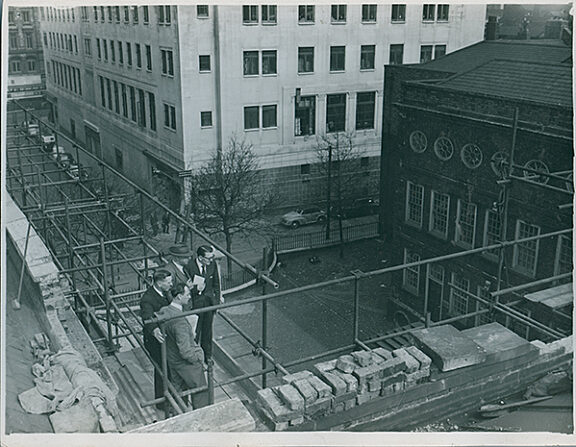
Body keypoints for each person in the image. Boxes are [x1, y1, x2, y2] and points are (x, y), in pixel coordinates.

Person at [155, 282, 209, 410]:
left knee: (178, 390)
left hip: (172, 360)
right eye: (187, 294)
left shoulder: (165, 310)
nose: (189, 297)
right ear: (179, 296)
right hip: (186, 364)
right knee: (201, 391)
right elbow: (185, 352)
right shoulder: (180, 323)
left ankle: (179, 413)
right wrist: (198, 358)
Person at [139, 269, 173, 406]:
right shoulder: (148, 299)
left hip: (166, 336)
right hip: (155, 340)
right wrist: (154, 329)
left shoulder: (165, 292)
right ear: (159, 283)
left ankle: (170, 395)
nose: (171, 284)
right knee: (161, 369)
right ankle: (162, 402)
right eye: (168, 282)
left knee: (168, 367)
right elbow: (147, 317)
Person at [185, 245, 221, 361]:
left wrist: (216, 302)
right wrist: (196, 289)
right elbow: (185, 288)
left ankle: (207, 355)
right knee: (195, 331)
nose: (211, 260)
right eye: (209, 258)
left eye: (212, 257)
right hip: (195, 304)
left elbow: (216, 284)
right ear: (200, 258)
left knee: (207, 331)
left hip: (209, 303)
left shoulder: (212, 265)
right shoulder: (189, 266)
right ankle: (195, 356)